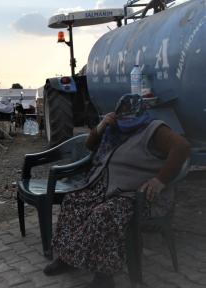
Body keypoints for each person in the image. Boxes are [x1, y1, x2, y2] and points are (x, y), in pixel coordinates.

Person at [42, 94, 190, 287]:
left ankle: (104, 275)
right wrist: (103, 125)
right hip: (108, 185)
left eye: (131, 119)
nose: (126, 123)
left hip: (137, 194)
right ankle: (68, 258)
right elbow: (90, 145)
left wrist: (160, 180)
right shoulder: (115, 128)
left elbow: (182, 147)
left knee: (105, 214)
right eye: (123, 118)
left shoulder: (155, 129)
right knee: (73, 201)